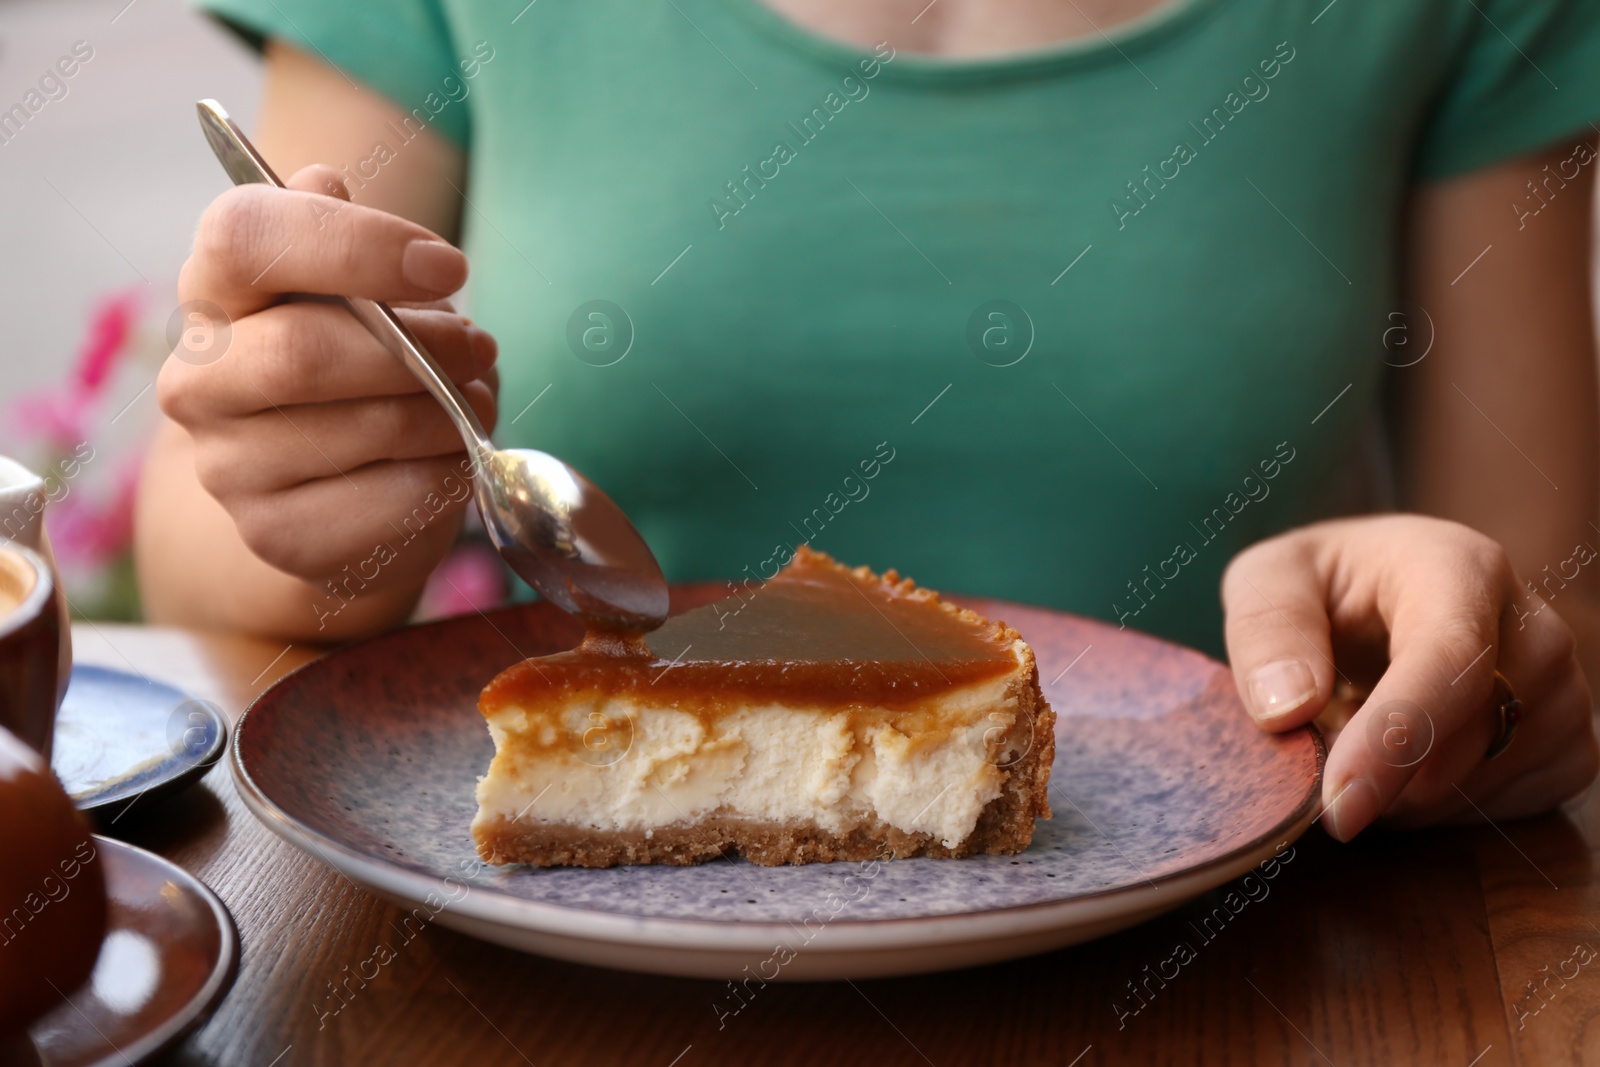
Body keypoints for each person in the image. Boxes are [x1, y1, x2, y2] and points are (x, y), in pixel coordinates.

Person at [137, 0, 1600, 843]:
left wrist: (1462, 668)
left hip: (1252, 962)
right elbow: (214, 558)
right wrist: (304, 499)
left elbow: (1550, 612)